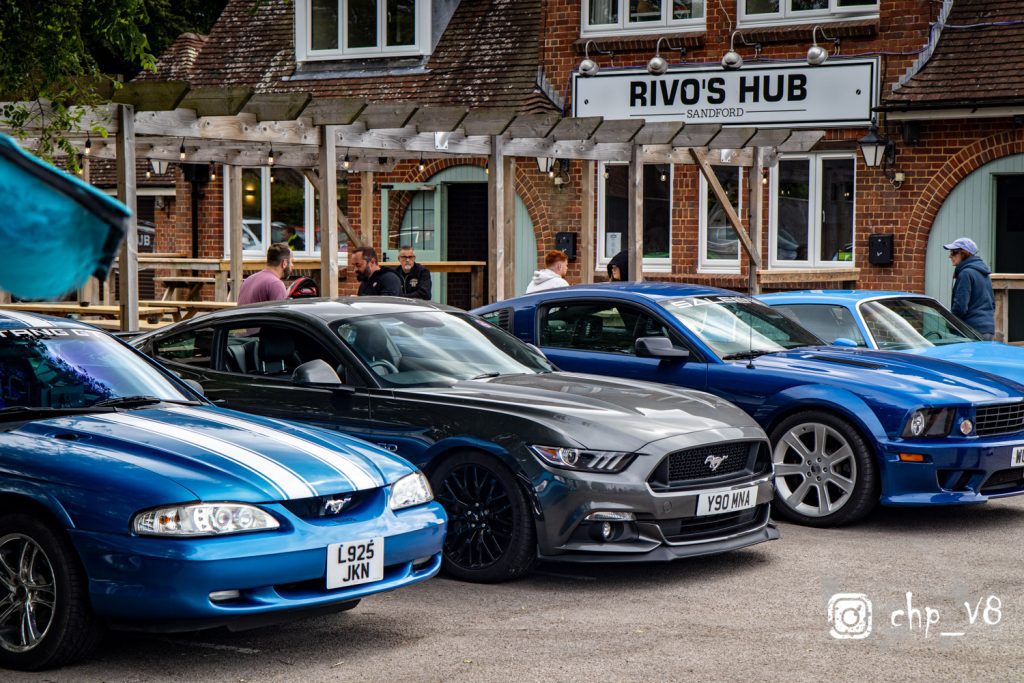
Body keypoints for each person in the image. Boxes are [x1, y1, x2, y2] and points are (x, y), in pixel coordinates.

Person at [943, 237, 995, 340]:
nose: (950, 256)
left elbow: (960, 307)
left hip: (971, 331)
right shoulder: (983, 273)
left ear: (963, 253)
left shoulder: (965, 273)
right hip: (988, 329)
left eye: (953, 253)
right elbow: (992, 303)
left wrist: (950, 324)